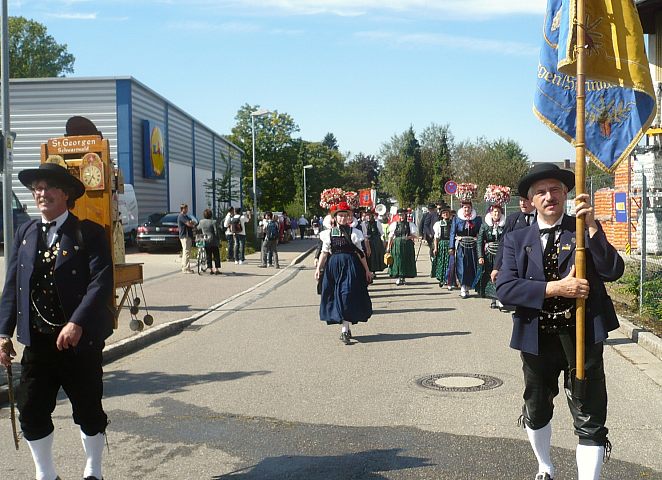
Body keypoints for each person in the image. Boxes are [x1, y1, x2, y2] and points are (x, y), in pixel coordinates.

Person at [496, 163, 624, 480]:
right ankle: (545, 466)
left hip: (582, 333)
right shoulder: (515, 239)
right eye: (540, 192)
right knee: (537, 408)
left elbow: (613, 270)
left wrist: (593, 228)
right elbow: (505, 289)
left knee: (589, 412)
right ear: (530, 200)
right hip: (536, 336)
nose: (549, 196)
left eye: (555, 189)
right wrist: (555, 288)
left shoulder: (582, 231)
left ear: (565, 193)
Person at [0, 162, 114, 480]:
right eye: (37, 187)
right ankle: (46, 474)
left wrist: (77, 322)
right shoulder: (25, 233)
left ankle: (93, 470)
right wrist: (2, 333)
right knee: (31, 409)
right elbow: (12, 286)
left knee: (88, 409)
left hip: (79, 342)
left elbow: (101, 282)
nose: (41, 193)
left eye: (49, 187)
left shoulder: (88, 232)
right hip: (37, 341)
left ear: (65, 194)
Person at [315, 201, 372, 345]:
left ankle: (345, 330)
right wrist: (318, 269)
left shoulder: (355, 233)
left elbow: (361, 254)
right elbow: (324, 253)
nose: (342, 218)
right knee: (336, 297)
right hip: (333, 268)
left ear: (349, 218)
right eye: (340, 216)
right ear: (335, 218)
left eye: (345, 216)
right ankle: (345, 326)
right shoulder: (328, 234)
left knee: (346, 295)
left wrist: (367, 270)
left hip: (350, 267)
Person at [492, 194, 536, 284]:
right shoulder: (513, 219)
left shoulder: (543, 217)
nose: (522, 203)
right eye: (520, 200)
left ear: (533, 201)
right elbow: (503, 243)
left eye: (525, 200)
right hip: (517, 265)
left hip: (537, 265)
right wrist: (496, 267)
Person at [449, 200, 482, 298]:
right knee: (461, 266)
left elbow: (480, 232)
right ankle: (463, 287)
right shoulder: (457, 219)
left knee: (471, 266)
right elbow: (452, 233)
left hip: (473, 246)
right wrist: (451, 247)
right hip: (461, 246)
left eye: (468, 207)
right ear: (462, 208)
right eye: (464, 207)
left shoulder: (477, 219)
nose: (466, 209)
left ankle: (469, 287)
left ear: (471, 208)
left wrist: (480, 242)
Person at [477, 204, 506, 306]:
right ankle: (493, 299)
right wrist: (480, 256)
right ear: (490, 213)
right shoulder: (485, 226)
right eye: (494, 212)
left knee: (501, 274)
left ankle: (500, 297)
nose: (496, 214)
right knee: (490, 274)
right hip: (489, 254)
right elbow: (480, 241)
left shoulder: (505, 225)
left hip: (501, 254)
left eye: (498, 212)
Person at [387, 208, 418, 286]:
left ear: (405, 215)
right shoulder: (395, 224)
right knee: (398, 260)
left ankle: (403, 277)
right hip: (397, 244)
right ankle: (399, 276)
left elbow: (415, 235)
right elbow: (391, 236)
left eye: (403, 215)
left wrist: (409, 237)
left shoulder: (410, 224)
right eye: (400, 215)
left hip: (407, 245)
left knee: (405, 259)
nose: (402, 217)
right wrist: (388, 246)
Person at [431, 202, 452, 288]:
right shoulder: (439, 224)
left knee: (450, 263)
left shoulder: (453, 223)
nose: (446, 214)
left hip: (451, 244)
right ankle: (442, 279)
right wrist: (435, 248)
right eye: (444, 213)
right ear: (441, 215)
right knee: (442, 262)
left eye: (447, 213)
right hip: (442, 244)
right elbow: (436, 237)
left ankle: (449, 280)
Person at [362, 209, 386, 278]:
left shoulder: (377, 223)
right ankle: (369, 271)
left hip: (375, 241)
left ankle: (374, 271)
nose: (368, 217)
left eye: (369, 215)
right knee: (369, 256)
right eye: (367, 215)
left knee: (375, 256)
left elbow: (381, 232)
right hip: (368, 241)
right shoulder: (363, 224)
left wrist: (383, 241)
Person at [197, 208, 221, 275]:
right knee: (216, 255)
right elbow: (216, 232)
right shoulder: (214, 222)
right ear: (211, 215)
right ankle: (216, 269)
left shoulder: (201, 222)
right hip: (213, 240)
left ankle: (211, 269)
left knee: (208, 255)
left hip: (205, 240)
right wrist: (219, 239)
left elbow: (198, 228)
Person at [178, 203, 196, 274]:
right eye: (185, 208)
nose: (187, 210)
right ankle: (185, 268)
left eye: (187, 208)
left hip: (188, 236)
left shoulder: (186, 216)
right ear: (182, 209)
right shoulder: (181, 216)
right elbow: (189, 224)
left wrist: (191, 222)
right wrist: (191, 223)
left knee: (186, 252)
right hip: (185, 236)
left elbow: (192, 222)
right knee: (186, 252)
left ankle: (186, 267)